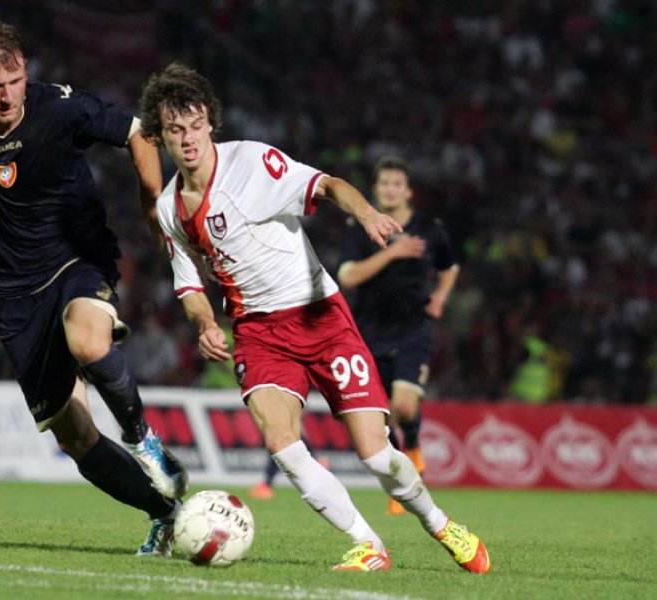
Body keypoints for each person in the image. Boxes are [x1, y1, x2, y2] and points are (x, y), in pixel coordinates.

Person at [139, 63, 490, 573]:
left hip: (320, 318)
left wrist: (366, 213)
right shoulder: (171, 208)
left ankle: (439, 522)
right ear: (160, 134)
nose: (188, 139)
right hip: (258, 333)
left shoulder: (252, 163)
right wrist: (205, 324)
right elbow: (189, 283)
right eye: (175, 129)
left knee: (375, 454)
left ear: (211, 122)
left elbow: (326, 184)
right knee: (282, 444)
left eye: (195, 126)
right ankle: (367, 543)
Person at [0, 19, 187, 557]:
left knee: (88, 342)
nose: (8, 97)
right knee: (76, 439)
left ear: (26, 72)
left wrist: (152, 205)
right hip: (14, 297)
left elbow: (137, 131)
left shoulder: (58, 105)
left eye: (15, 82)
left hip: (77, 260)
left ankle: (143, 439)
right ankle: (166, 513)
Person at [337, 156, 460, 515]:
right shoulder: (360, 227)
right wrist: (392, 252)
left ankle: (415, 446)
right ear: (375, 189)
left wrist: (440, 297)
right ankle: (401, 484)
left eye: (397, 184)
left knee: (404, 408)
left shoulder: (429, 229)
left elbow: (450, 266)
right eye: (384, 183)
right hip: (370, 331)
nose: (390, 189)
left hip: (413, 329)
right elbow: (347, 276)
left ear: (408, 192)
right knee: (381, 416)